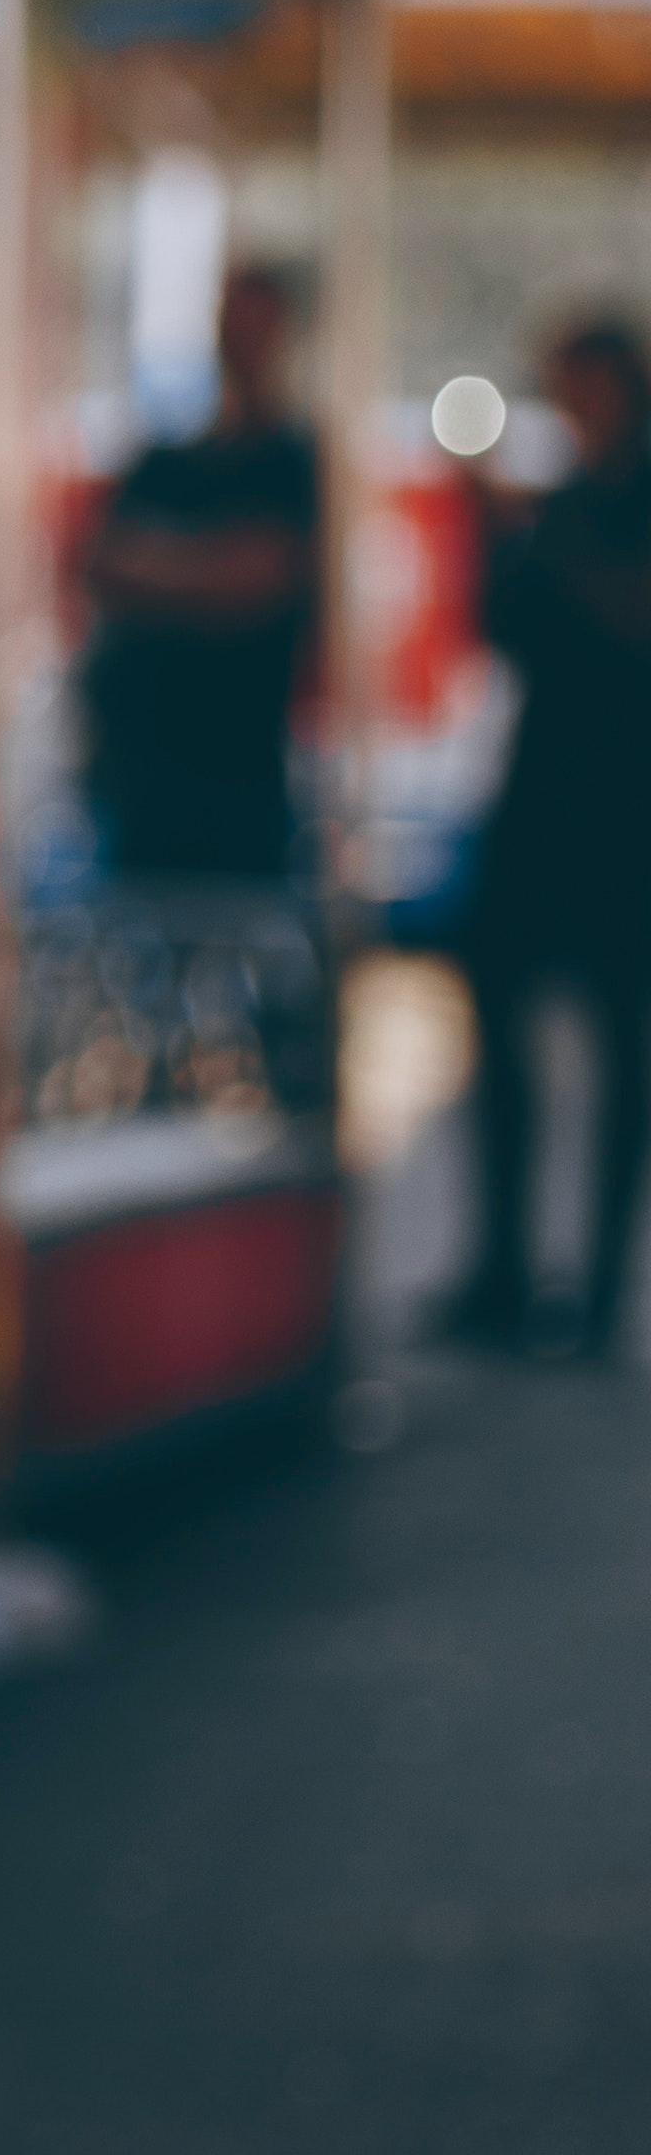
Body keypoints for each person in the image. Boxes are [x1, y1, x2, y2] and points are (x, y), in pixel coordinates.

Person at [439, 316, 651, 1367]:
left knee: (623, 1044)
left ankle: (603, 1285)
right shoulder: (566, 502)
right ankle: (505, 1267)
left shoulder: (611, 507)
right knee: (502, 1010)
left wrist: (546, 550)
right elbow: (503, 631)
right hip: (543, 796)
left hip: (625, 805)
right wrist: (492, 532)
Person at [78, 264, 322, 883]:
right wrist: (210, 569)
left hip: (240, 764)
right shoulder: (167, 458)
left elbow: (260, 576)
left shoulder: (295, 464)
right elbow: (99, 560)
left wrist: (160, 567)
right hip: (145, 767)